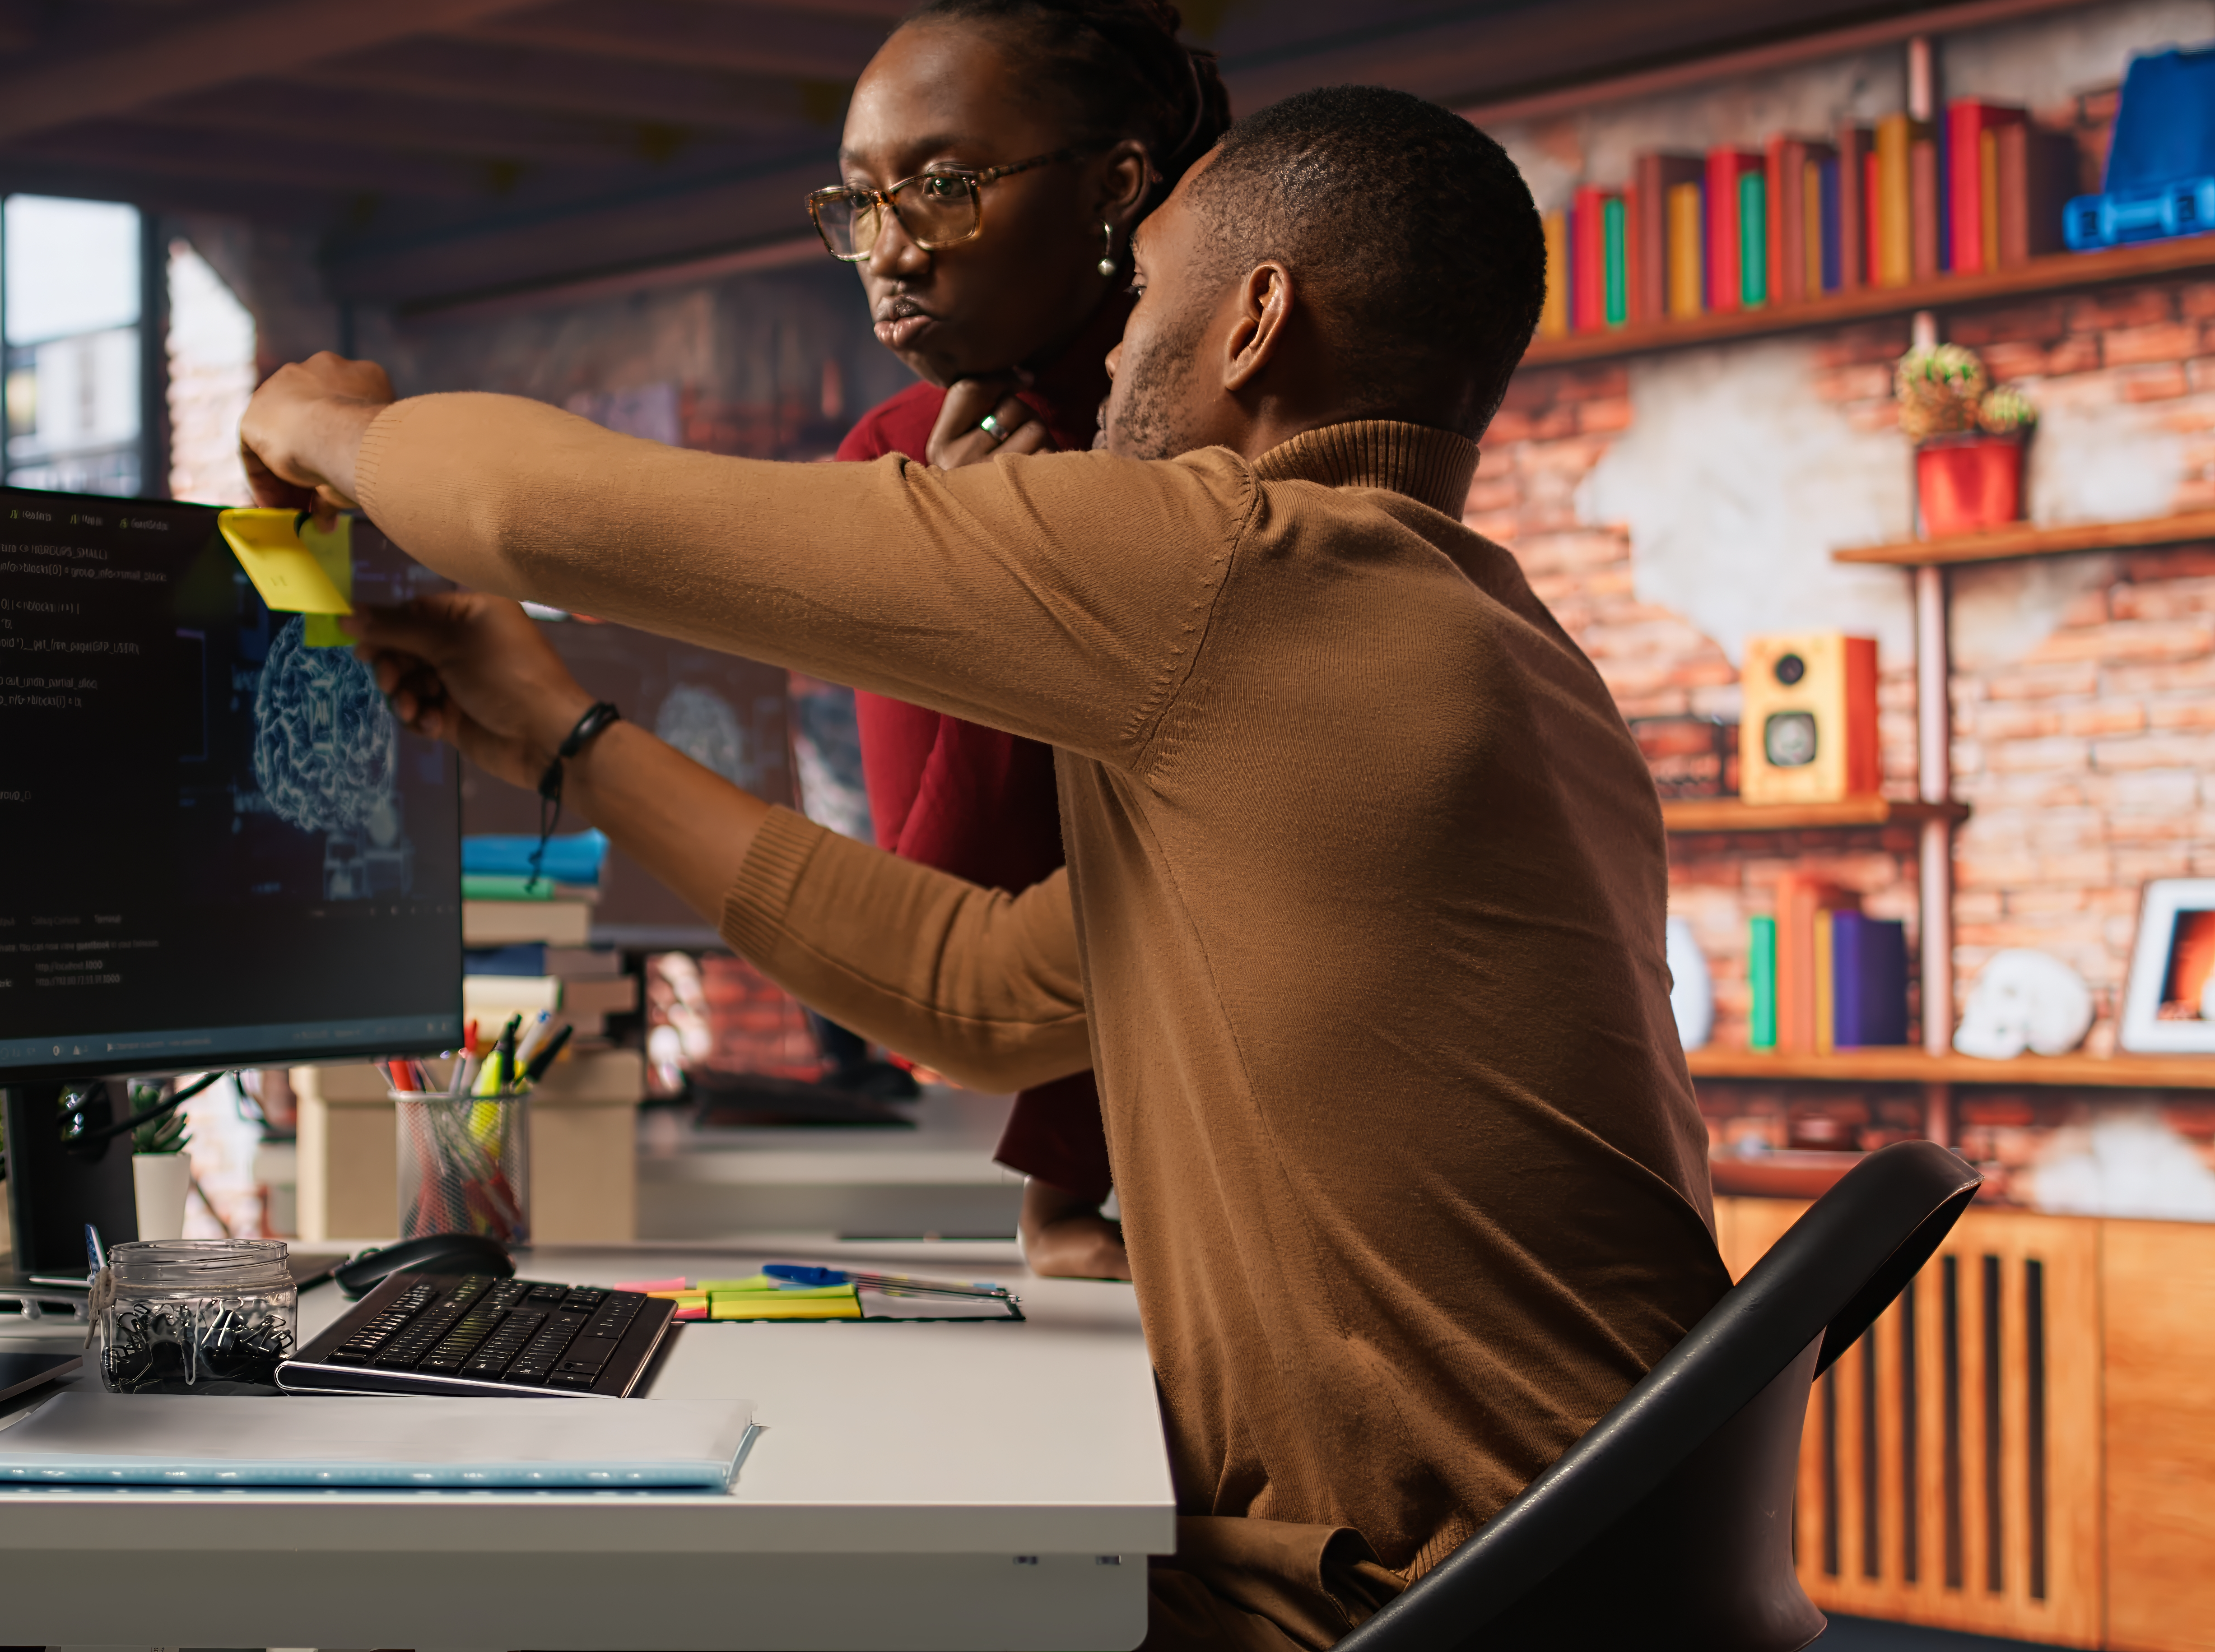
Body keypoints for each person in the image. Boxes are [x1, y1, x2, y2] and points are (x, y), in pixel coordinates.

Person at [240, 85, 1730, 1651]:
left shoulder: (1241, 566)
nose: (1114, 353)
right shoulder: (1494, 659)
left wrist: (324, 422)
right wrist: (562, 732)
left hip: (1404, 1603)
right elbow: (980, 995)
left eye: (1145, 293)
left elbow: (541, 513)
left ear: (1254, 324)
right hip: (1568, 1570)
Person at [811, 0, 1226, 1263]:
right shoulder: (889, 465)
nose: (888, 252)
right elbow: (943, 932)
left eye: (942, 189)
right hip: (1127, 1193)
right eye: (863, 201)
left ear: (1115, 184)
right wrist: (989, 595)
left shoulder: (1246, 430)